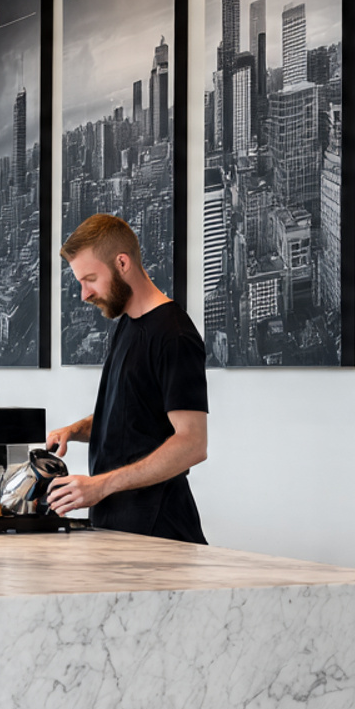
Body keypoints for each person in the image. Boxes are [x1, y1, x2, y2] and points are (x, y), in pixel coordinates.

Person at [46, 214, 209, 544]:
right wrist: (75, 430)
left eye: (90, 279)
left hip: (160, 536)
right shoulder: (129, 324)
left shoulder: (174, 335)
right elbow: (130, 415)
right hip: (116, 528)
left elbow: (193, 443)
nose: (84, 294)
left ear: (122, 263)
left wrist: (100, 485)